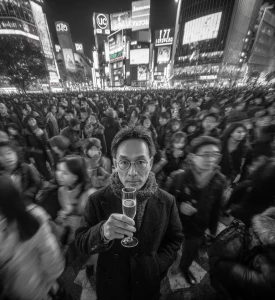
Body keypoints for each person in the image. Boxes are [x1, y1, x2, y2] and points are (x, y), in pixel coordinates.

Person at [75, 126, 184, 300]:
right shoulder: (97, 200)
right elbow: (81, 242)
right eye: (125, 162)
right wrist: (102, 232)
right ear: (116, 163)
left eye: (140, 162)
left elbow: (174, 240)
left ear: (150, 162)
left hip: (147, 283)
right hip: (112, 284)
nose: (132, 173)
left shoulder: (167, 201)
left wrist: (156, 264)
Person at [0, 175, 64, 300]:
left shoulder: (31, 217)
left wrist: (51, 280)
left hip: (33, 286)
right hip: (13, 286)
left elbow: (50, 252)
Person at [164, 136, 226, 285]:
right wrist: (179, 206)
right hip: (176, 224)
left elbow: (216, 207)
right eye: (205, 155)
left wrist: (212, 229)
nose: (210, 159)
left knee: (190, 252)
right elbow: (166, 202)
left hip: (198, 227)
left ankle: (184, 269)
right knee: (168, 249)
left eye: (215, 155)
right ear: (192, 157)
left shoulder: (219, 180)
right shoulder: (179, 177)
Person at [209, 207, 275, 300]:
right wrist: (232, 271)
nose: (262, 245)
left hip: (233, 288)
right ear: (253, 231)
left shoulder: (258, 248)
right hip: (224, 286)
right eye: (260, 240)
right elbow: (214, 263)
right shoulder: (233, 244)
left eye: (265, 243)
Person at [0, 141, 41, 206]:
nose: (6, 157)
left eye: (9, 153)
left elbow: (36, 183)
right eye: (1, 155)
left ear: (16, 153)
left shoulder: (25, 168)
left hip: (29, 204)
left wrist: (26, 196)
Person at [24, 116, 53, 181]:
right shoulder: (26, 132)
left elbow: (47, 141)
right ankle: (49, 178)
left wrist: (42, 135)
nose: (32, 121)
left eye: (32, 119)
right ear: (27, 123)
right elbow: (26, 146)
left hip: (46, 149)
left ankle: (54, 175)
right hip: (37, 153)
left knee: (52, 162)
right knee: (42, 167)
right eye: (29, 120)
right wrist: (34, 151)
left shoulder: (42, 128)